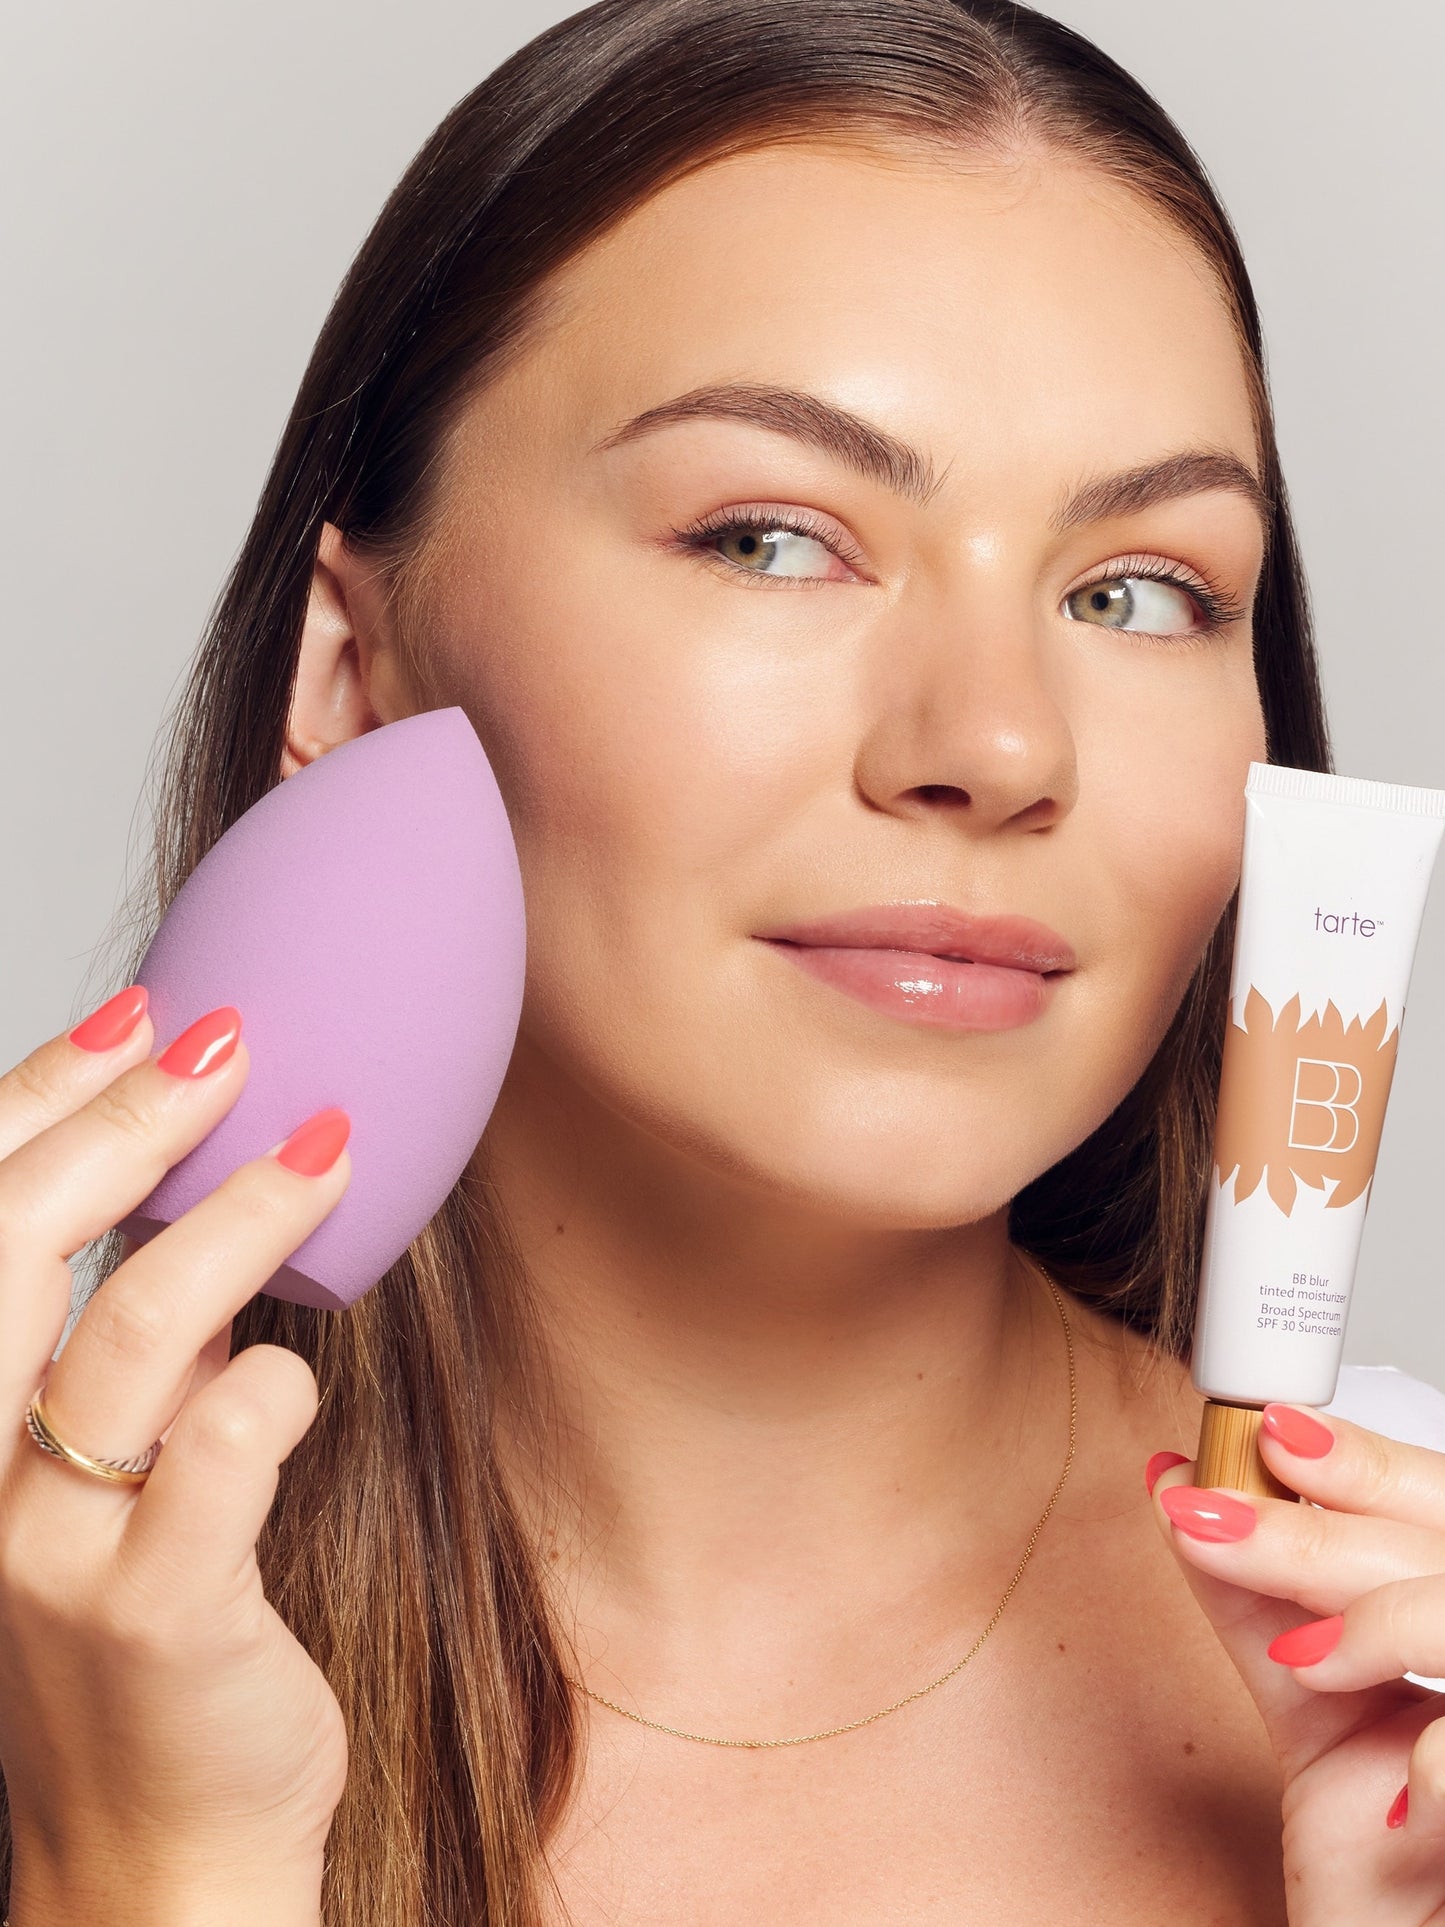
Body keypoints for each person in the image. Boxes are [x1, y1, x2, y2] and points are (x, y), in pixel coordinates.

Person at [4, 1, 1445, 1921]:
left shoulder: (1409, 1677)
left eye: (1136, 591)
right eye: (771, 540)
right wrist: (147, 1871)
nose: (996, 747)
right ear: (354, 672)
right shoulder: (64, 1691)